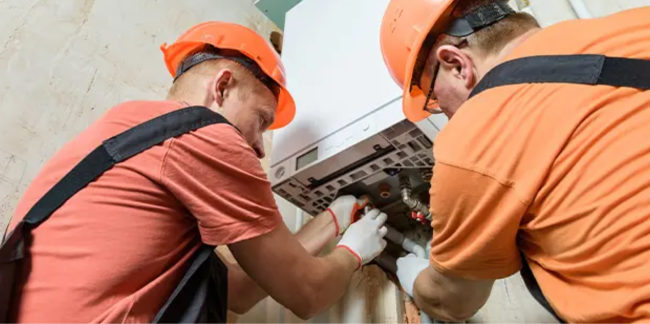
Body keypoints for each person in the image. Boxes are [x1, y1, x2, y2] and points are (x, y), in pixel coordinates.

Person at [1, 21, 388, 322]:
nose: (258, 147)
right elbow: (307, 294)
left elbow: (235, 291)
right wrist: (353, 253)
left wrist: (330, 223)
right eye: (261, 121)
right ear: (222, 87)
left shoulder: (124, 134)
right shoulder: (205, 135)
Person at [380, 0, 650, 322]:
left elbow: (451, 302)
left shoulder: (469, 141)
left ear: (455, 64)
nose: (447, 114)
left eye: (435, 99)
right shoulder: (637, 24)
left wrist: (411, 275)